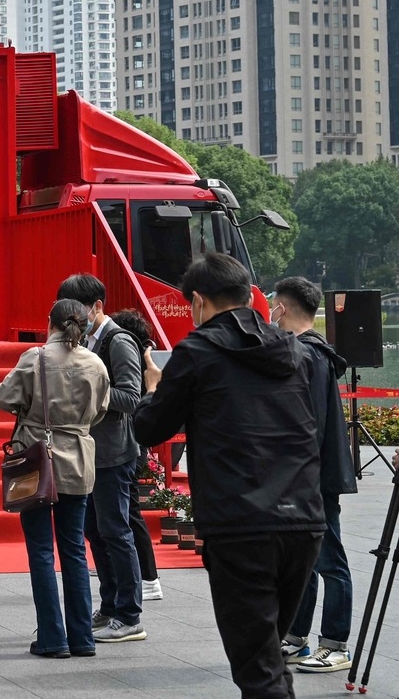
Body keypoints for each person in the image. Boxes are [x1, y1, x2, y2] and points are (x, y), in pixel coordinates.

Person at [134, 253, 322, 699]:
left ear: (198, 301)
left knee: (258, 668)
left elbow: (150, 428)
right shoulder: (291, 349)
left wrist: (155, 389)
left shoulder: (197, 351)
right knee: (269, 655)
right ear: (248, 296)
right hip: (303, 518)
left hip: (240, 522)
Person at [0, 299, 110, 659]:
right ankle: (82, 637)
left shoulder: (36, 357)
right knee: (74, 549)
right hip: (79, 459)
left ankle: (52, 637)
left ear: (51, 323)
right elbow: (101, 410)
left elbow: (2, 398)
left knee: (41, 550)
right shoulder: (95, 363)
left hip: (38, 458)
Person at [273, 276, 358, 674]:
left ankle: (335, 644)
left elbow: (310, 428)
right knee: (302, 561)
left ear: (282, 308)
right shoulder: (311, 353)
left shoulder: (309, 355)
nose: (270, 313)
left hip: (313, 479)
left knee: (329, 560)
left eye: (273, 306)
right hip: (306, 477)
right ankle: (295, 636)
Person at [57, 275, 147, 644]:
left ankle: (130, 615)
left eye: (77, 310)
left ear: (97, 306)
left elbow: (131, 397)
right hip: (89, 452)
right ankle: (109, 606)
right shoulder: (85, 340)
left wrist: (88, 389)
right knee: (95, 531)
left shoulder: (118, 341)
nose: (72, 319)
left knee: (116, 532)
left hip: (113, 453)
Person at [108, 309, 163, 601]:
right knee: (128, 510)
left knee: (130, 511)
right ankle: (142, 574)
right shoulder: (144, 357)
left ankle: (149, 577)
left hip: (132, 443)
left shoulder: (138, 361)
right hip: (136, 443)